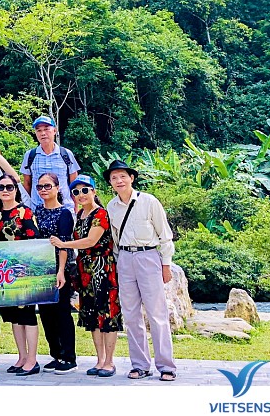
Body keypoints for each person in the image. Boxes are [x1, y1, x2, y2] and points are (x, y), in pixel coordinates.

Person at [106, 159, 177, 382]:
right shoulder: (111, 206)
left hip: (149, 256)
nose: (119, 180)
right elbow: (116, 239)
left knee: (157, 313)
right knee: (131, 314)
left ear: (131, 178)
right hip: (125, 258)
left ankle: (166, 366)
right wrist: (118, 264)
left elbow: (165, 235)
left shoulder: (149, 201)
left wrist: (166, 264)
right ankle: (139, 365)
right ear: (110, 182)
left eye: (122, 176)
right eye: (114, 177)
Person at [51, 174, 122, 378]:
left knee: (107, 315)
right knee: (92, 315)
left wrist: (64, 244)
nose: (80, 195)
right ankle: (99, 360)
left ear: (94, 191)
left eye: (85, 190)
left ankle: (109, 361)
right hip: (86, 272)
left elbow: (91, 241)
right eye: (76, 192)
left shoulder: (101, 214)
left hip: (103, 270)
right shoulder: (80, 215)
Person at [0, 173, 41, 376]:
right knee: (13, 317)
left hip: (23, 273)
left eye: (9, 187)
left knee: (27, 316)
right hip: (4, 276)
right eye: (1, 187)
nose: (5, 191)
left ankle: (32, 359)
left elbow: (35, 241)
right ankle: (22, 357)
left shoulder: (25, 212)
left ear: (16, 189)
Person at [33, 172, 77, 373]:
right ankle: (56, 354)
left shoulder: (65, 213)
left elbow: (64, 244)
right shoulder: (38, 211)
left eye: (48, 186)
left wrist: (61, 271)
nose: (44, 190)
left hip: (60, 268)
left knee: (62, 313)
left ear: (57, 188)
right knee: (46, 313)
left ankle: (69, 356)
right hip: (42, 269)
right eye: (40, 186)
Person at [20, 116, 79, 212]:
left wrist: (76, 209)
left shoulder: (66, 154)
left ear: (55, 131)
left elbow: (74, 184)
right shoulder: (30, 155)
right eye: (39, 130)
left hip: (65, 208)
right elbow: (27, 184)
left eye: (47, 129)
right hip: (37, 210)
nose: (43, 133)